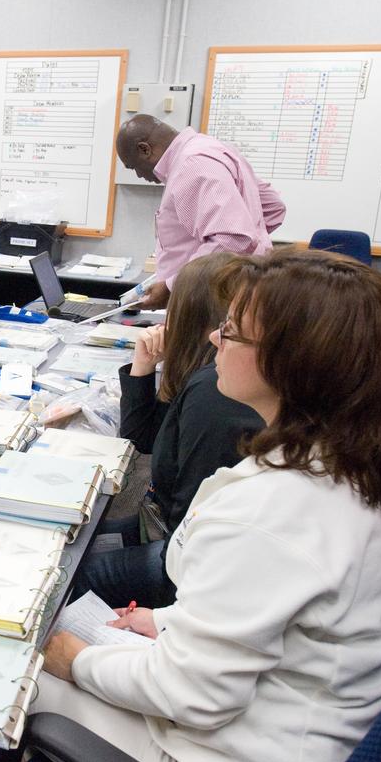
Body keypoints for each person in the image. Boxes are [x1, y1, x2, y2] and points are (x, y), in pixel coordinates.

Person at [34, 249, 381, 762]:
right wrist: (163, 620)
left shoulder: (271, 513)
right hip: (316, 734)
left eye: (230, 329)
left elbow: (193, 696)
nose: (213, 339)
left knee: (14, 676)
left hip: (225, 761)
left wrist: (74, 659)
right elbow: (284, 609)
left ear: (293, 362)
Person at [76, 253, 263, 609]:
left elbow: (190, 522)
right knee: (73, 533)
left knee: (69, 575)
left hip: (184, 558)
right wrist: (144, 365)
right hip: (162, 524)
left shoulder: (214, 391)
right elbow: (142, 439)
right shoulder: (204, 374)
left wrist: (162, 617)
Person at [116, 114, 286, 309]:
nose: (139, 174)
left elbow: (233, 238)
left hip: (213, 298)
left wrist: (172, 286)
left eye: (133, 167)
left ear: (144, 149)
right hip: (237, 290)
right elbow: (273, 206)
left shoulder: (191, 164)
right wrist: (253, 247)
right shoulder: (211, 148)